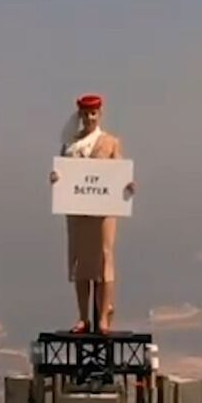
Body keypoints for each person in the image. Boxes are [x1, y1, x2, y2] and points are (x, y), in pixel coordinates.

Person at [50, 94, 135, 334]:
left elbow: (119, 173)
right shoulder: (71, 144)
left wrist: (127, 185)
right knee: (81, 263)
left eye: (93, 113)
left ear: (99, 114)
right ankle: (83, 317)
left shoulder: (110, 143)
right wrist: (56, 179)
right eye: (86, 114)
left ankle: (104, 317)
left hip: (104, 212)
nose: (89, 118)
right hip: (78, 212)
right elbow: (62, 173)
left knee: (104, 259)